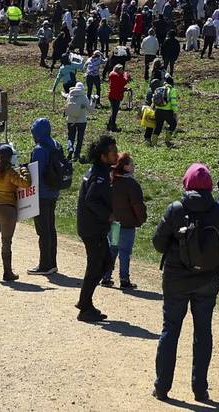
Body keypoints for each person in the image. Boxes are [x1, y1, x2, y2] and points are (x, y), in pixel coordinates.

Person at [151, 163, 219, 402]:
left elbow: (158, 243)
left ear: (186, 183)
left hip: (176, 279)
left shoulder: (175, 209)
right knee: (203, 333)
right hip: (207, 279)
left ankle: (162, 387)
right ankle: (200, 389)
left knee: (170, 331)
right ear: (210, 185)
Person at [76, 135, 118, 322]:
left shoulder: (100, 170)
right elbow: (91, 200)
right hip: (92, 228)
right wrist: (108, 215)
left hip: (92, 227)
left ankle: (84, 301)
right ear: (103, 156)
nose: (116, 155)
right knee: (96, 266)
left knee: (105, 262)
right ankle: (85, 307)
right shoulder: (99, 175)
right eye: (113, 152)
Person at [0, 144, 29, 281]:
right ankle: (7, 272)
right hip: (7, 210)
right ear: (10, 158)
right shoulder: (10, 172)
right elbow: (25, 183)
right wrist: (24, 170)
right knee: (6, 241)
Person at [103, 151, 146, 289]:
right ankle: (124, 279)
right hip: (127, 225)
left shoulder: (111, 182)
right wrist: (140, 220)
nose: (133, 166)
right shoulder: (131, 184)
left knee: (113, 249)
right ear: (126, 167)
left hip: (114, 224)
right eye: (131, 164)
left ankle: (106, 277)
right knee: (125, 252)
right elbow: (137, 205)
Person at [27, 118, 63, 276]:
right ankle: (52, 263)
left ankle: (44, 265)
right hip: (54, 191)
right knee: (51, 228)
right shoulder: (56, 144)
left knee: (43, 231)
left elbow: (35, 173)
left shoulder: (39, 149)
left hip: (41, 194)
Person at [150, 75, 179, 147]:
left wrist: (152, 108)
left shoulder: (158, 89)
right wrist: (175, 112)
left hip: (158, 111)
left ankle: (154, 143)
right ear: (172, 83)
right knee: (173, 124)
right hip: (167, 111)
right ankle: (167, 140)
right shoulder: (172, 90)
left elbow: (153, 100)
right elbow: (173, 102)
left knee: (158, 126)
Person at [106, 64, 129, 132]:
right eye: (121, 70)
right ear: (118, 70)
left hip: (113, 95)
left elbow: (118, 86)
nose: (123, 71)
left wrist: (124, 89)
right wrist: (125, 75)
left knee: (114, 111)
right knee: (114, 112)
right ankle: (113, 127)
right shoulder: (116, 76)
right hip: (115, 96)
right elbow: (123, 82)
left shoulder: (114, 75)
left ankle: (109, 125)